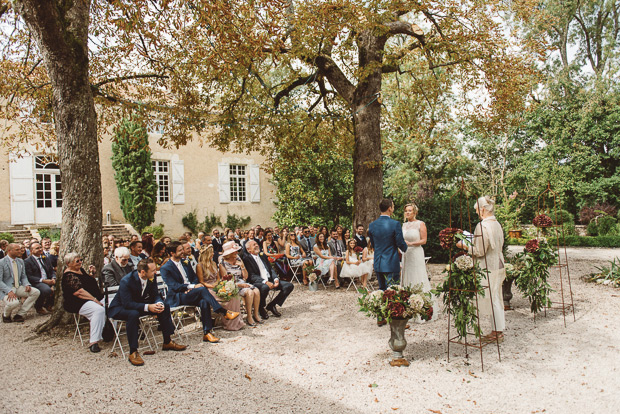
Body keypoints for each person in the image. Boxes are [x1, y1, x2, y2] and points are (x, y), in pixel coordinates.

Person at [108, 259, 187, 365]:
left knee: (164, 307)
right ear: (143, 272)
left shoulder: (151, 277)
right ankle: (133, 351)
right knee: (133, 314)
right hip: (120, 308)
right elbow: (127, 304)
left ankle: (167, 341)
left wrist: (159, 303)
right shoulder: (126, 281)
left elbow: (155, 294)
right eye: (153, 270)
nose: (155, 272)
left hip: (138, 305)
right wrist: (147, 307)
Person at [160, 241, 239, 343]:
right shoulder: (165, 268)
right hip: (178, 296)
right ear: (172, 253)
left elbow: (194, 278)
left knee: (204, 301)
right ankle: (223, 312)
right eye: (180, 250)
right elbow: (173, 286)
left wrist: (193, 286)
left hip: (191, 292)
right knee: (202, 289)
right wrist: (191, 286)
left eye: (182, 249)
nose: (183, 252)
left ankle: (207, 333)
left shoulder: (185, 263)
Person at [457, 196, 506, 342]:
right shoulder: (496, 223)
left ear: (483, 209)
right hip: (498, 262)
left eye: (477, 210)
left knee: (493, 298)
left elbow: (479, 250)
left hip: (488, 265)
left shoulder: (482, 226)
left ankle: (497, 332)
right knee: (496, 296)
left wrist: (463, 245)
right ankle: (497, 330)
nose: (477, 212)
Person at [368, 199, 408, 326]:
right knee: (393, 291)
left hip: (378, 262)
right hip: (390, 261)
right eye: (393, 206)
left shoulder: (372, 225)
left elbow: (373, 244)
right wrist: (406, 249)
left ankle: (380, 318)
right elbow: (400, 242)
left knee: (381, 290)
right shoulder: (395, 224)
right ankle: (396, 320)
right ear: (390, 208)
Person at [61, 252, 105, 352]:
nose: (80, 262)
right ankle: (94, 341)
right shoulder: (69, 276)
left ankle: (106, 333)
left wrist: (91, 274)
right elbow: (79, 292)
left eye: (81, 260)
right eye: (77, 261)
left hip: (94, 297)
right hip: (79, 302)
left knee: (112, 304)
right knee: (98, 310)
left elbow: (87, 282)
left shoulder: (80, 270)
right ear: (69, 263)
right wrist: (94, 300)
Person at [197, 243, 245, 331]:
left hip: (217, 285)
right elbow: (202, 281)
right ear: (206, 253)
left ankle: (237, 323)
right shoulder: (199, 265)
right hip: (208, 288)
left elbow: (218, 278)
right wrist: (212, 285)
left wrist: (220, 285)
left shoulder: (214, 263)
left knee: (234, 296)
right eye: (211, 252)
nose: (213, 254)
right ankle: (228, 324)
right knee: (226, 300)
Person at [242, 240, 294, 319]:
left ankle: (272, 305)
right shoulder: (246, 259)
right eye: (254, 245)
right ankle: (261, 307)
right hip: (258, 282)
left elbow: (270, 269)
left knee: (289, 286)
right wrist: (265, 282)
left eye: (256, 244)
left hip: (270, 279)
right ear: (249, 250)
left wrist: (276, 278)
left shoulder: (262, 255)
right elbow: (252, 276)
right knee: (264, 287)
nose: (256, 245)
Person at [215, 242, 261, 327]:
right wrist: (240, 285)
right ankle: (249, 317)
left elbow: (246, 276)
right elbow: (227, 280)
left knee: (257, 291)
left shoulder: (239, 259)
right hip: (232, 285)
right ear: (229, 253)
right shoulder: (222, 263)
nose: (237, 252)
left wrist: (242, 267)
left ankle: (256, 315)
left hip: (242, 282)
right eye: (235, 251)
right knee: (249, 292)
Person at [0, 243, 40, 323]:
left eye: (20, 249)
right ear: (9, 251)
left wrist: (27, 284)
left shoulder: (20, 261)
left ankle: (20, 314)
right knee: (14, 303)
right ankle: (6, 315)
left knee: (35, 292)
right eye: (17, 250)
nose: (20, 251)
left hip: (18, 287)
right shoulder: (1, 262)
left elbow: (23, 276)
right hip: (6, 288)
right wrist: (8, 291)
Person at [24, 241, 56, 314]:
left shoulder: (46, 258)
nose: (40, 249)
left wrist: (53, 278)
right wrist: (43, 280)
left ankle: (49, 304)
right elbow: (29, 276)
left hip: (49, 280)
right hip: (37, 281)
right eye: (37, 248)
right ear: (31, 251)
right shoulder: (27, 261)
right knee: (46, 289)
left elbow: (52, 271)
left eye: (40, 247)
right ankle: (39, 306)